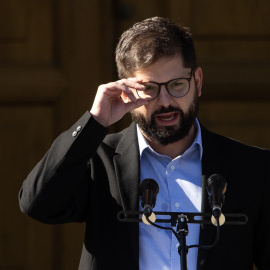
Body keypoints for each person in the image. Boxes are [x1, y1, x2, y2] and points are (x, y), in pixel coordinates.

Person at [19, 17, 270, 270]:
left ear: (198, 81)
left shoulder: (252, 167)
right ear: (126, 90)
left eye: (176, 85)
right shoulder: (98, 159)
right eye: (148, 88)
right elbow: (37, 204)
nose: (164, 101)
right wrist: (95, 121)